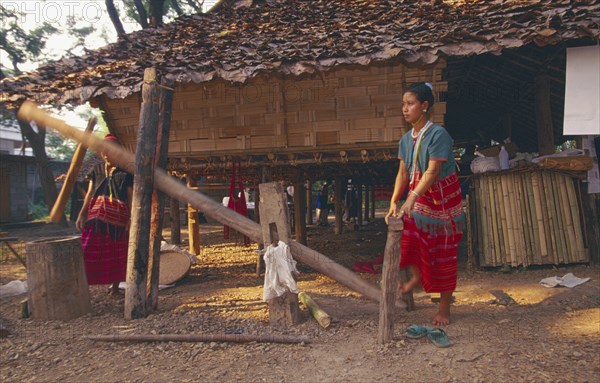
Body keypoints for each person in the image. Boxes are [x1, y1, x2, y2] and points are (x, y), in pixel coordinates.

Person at [385, 82, 464, 326]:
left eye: (410, 104)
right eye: (403, 104)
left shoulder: (438, 134)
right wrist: (394, 199)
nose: (405, 109)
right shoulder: (405, 140)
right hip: (420, 198)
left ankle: (444, 309)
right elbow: (403, 173)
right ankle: (418, 278)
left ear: (425, 106)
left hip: (442, 201)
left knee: (444, 253)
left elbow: (432, 172)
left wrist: (411, 198)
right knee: (409, 237)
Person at [76, 134, 133, 295]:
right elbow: (90, 192)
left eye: (110, 151)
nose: (106, 154)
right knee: (87, 250)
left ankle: (115, 288)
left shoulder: (126, 173)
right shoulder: (97, 170)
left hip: (118, 219)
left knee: (117, 253)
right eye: (103, 151)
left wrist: (131, 218)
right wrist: (82, 214)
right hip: (96, 216)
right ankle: (82, 287)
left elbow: (131, 196)